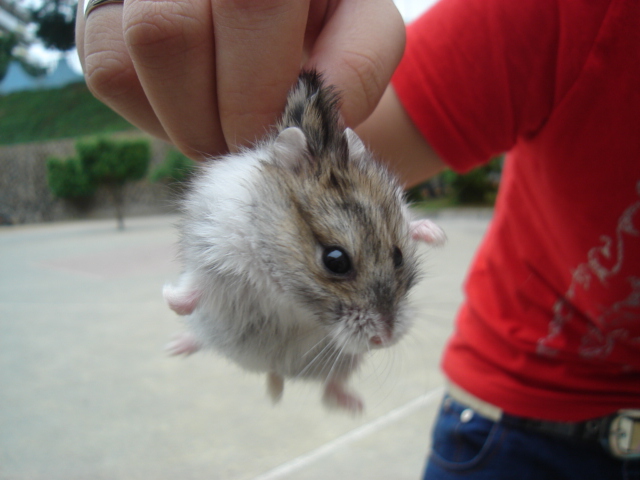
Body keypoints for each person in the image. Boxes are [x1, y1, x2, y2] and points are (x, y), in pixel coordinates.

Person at [77, 0, 640, 478]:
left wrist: (403, 230)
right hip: (515, 425)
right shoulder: (575, 15)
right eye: (337, 260)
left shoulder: (353, 212)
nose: (384, 334)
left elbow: (371, 205)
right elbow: (344, 159)